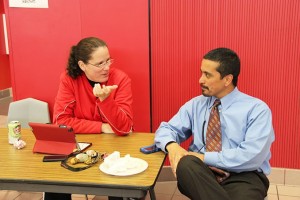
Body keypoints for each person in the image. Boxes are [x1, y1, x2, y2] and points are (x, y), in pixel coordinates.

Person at [154, 47, 275, 200]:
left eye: (207, 75)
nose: (200, 80)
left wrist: (203, 157)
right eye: (201, 72)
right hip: (201, 173)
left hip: (243, 176)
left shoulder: (257, 109)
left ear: (227, 79)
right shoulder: (195, 105)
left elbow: (252, 156)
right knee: (186, 163)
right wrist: (172, 146)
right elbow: (166, 129)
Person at [45, 37, 134, 200]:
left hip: (116, 144)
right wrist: (102, 127)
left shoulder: (120, 79)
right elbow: (61, 121)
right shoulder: (69, 79)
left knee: (116, 185)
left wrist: (106, 100)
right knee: (55, 181)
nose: (107, 67)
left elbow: (124, 128)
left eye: (108, 61)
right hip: (82, 143)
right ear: (82, 65)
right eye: (100, 63)